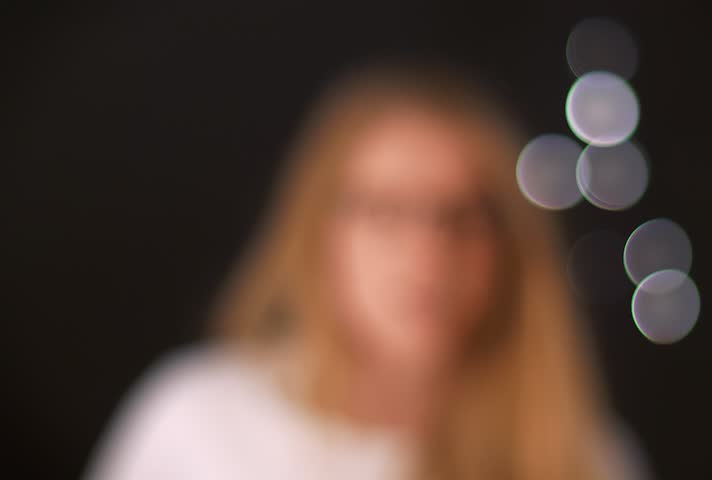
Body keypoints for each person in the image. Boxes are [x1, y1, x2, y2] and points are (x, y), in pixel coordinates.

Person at [84, 60, 643, 480]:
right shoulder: (200, 423)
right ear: (318, 234)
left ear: (511, 251)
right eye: (386, 211)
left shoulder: (583, 455)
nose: (428, 255)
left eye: (462, 217)